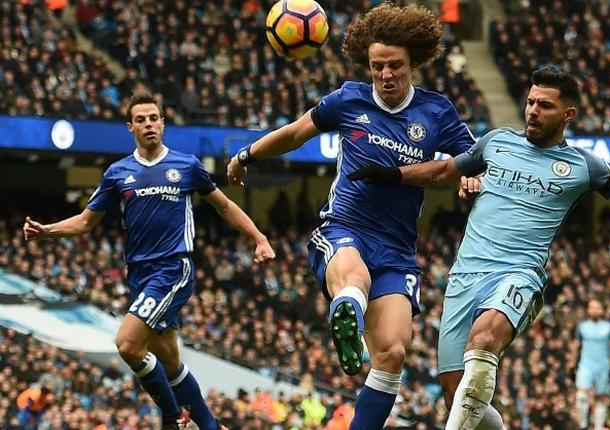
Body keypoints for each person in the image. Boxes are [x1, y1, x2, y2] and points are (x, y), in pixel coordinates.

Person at [347, 66, 610, 430]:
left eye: (545, 105)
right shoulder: (496, 142)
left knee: (484, 342)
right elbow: (444, 170)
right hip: (464, 278)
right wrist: (393, 175)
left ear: (567, 115)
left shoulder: (582, 166)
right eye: (531, 102)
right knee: (458, 397)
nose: (533, 111)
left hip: (518, 277)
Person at [226, 4, 475, 429]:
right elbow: (294, 132)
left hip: (396, 248)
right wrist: (248, 154)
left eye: (395, 65)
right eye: (377, 66)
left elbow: (472, 158)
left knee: (393, 353)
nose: (386, 75)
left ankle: (352, 324)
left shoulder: (436, 112)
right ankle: (347, 313)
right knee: (353, 277)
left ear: (412, 62)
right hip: (344, 228)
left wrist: (469, 177)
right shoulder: (348, 99)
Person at [24, 92, 275, 430]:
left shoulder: (186, 166)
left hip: (173, 269)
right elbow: (86, 221)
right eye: (140, 120)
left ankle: (173, 418)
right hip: (140, 276)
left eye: (153, 118)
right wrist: (47, 230)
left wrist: (258, 238)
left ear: (163, 123)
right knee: (171, 363)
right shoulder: (118, 173)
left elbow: (225, 206)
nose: (148, 124)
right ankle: (209, 426)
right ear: (131, 128)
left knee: (127, 344)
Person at [574, 299, 610, 430]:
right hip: (585, 365)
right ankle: (583, 425)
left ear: (602, 310)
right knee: (581, 396)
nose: (595, 310)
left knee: (601, 398)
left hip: (603, 366)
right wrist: (571, 365)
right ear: (587, 310)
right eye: (592, 308)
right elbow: (575, 346)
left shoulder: (609, 327)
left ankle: (598, 427)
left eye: (598, 308)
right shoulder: (582, 327)